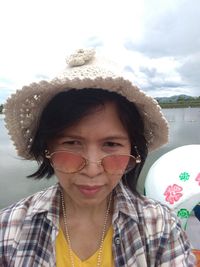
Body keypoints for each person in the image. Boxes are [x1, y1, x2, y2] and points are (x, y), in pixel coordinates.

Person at [0, 48, 196, 267]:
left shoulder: (160, 226)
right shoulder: (9, 229)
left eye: (111, 144)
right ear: (47, 147)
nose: (92, 170)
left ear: (134, 150)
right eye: (72, 143)